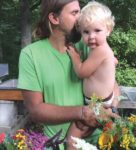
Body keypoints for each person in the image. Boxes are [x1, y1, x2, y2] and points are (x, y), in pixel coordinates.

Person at [17, 0, 120, 149]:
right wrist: (82, 113)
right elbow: (35, 110)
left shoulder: (87, 46)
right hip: (58, 143)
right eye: (74, 13)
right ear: (54, 18)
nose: (80, 17)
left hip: (101, 141)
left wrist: (111, 108)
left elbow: (111, 82)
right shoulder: (31, 55)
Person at [66, 1, 119, 149]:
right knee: (97, 135)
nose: (91, 37)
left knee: (72, 139)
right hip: (98, 102)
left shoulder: (101, 50)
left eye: (97, 30)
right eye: (86, 32)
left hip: (98, 105)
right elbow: (107, 62)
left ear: (108, 30)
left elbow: (82, 72)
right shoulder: (102, 50)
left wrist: (75, 57)